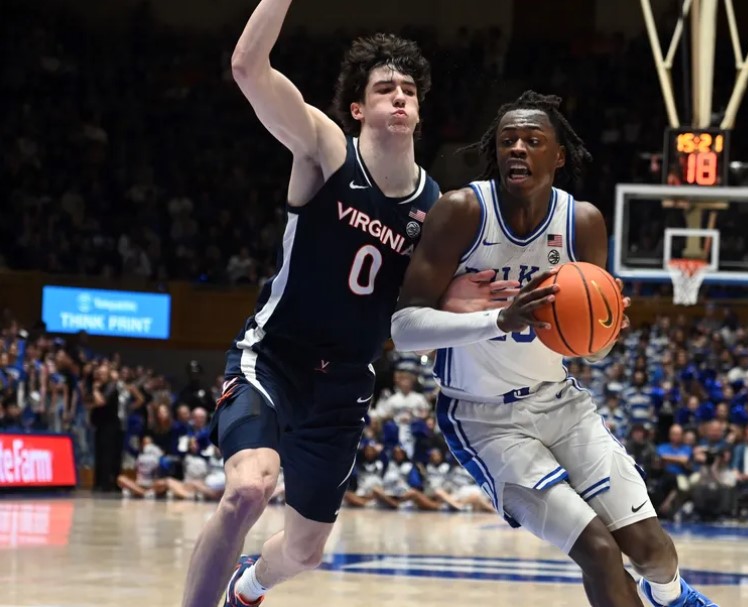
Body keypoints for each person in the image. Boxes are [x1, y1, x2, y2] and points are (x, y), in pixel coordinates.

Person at [183, 3, 515, 606]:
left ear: (419, 109)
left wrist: (466, 303)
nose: (399, 97)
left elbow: (420, 308)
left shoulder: (436, 209)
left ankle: (248, 587)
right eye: (385, 88)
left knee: (305, 551)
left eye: (409, 90)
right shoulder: (325, 149)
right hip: (275, 359)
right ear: (358, 107)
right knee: (247, 492)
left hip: (344, 387)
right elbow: (247, 67)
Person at [391, 91, 717, 607]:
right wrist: (498, 319)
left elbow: (591, 353)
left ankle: (671, 596)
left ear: (558, 156)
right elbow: (405, 328)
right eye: (507, 141)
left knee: (653, 552)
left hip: (559, 402)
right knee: (599, 551)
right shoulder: (461, 211)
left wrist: (604, 332)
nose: (517, 149)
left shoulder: (582, 221)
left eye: (532, 140)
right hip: (485, 419)